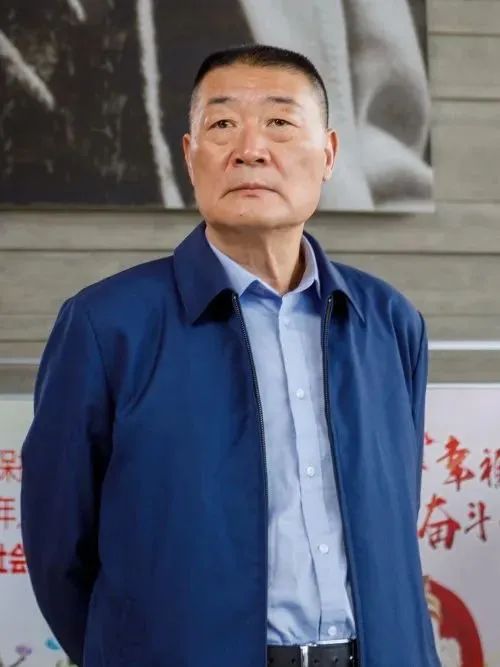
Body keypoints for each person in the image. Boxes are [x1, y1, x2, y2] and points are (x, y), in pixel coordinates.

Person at [21, 45, 440, 666]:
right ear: (190, 157)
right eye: (222, 124)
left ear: (328, 154)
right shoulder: (106, 326)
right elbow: (59, 548)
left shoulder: (388, 322)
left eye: (280, 122)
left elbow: (397, 512)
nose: (251, 149)